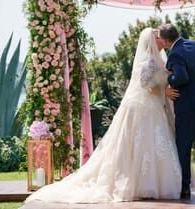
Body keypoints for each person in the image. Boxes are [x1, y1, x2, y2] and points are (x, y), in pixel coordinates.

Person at [25, 28, 183, 203]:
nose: (162, 42)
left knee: (155, 143)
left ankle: (154, 184)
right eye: (159, 39)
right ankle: (138, 184)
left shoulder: (159, 59)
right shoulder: (148, 60)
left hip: (154, 109)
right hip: (143, 108)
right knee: (140, 144)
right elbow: (145, 84)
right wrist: (164, 92)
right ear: (154, 41)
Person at [157, 24, 195, 199]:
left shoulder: (175, 53)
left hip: (188, 105)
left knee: (184, 146)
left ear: (167, 41)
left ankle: (184, 187)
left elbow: (181, 77)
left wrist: (169, 78)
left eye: (161, 39)